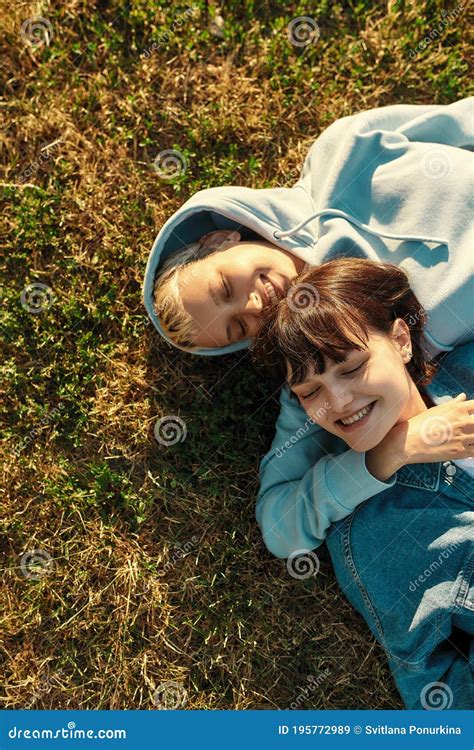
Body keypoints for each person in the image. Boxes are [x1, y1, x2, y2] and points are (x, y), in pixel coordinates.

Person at [142, 98, 474, 558]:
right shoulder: (316, 379)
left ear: (218, 240)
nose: (256, 303)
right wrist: (391, 450)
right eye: (240, 326)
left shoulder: (341, 155)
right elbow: (279, 526)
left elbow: (459, 122)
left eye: (225, 287)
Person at [251, 257, 474, 709]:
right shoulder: (375, 533)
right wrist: (394, 451)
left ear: (400, 339)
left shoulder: (466, 363)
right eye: (310, 392)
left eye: (351, 368)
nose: (337, 402)